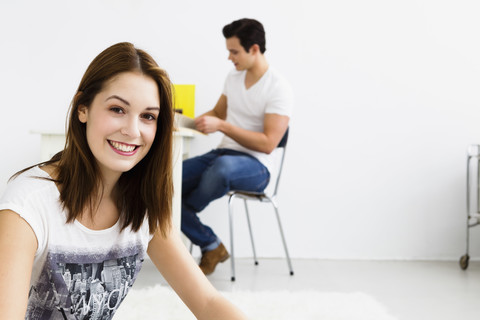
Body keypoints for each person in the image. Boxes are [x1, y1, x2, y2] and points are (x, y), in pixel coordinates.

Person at [0, 42, 247, 319]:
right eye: (117, 109)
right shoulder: (28, 205)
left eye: (148, 116)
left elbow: (207, 302)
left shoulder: (144, 203)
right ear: (83, 108)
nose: (132, 130)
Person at [182, 18, 294, 275]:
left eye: (234, 52)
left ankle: (187, 207)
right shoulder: (233, 78)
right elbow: (218, 113)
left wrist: (223, 127)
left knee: (219, 170)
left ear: (254, 49)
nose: (230, 58)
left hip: (256, 167)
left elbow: (268, 144)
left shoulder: (279, 88)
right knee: (166, 184)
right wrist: (185, 123)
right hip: (222, 154)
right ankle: (211, 245)